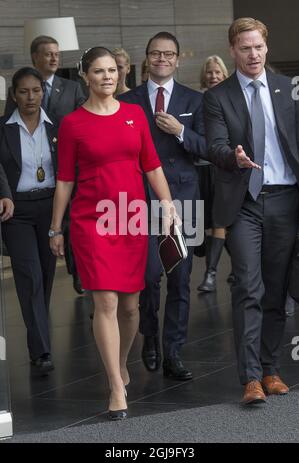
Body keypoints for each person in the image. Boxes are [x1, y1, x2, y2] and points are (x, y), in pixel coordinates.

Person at [49, 47, 176, 420]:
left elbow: (152, 167)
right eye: (99, 71)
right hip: (92, 222)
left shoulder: (136, 115)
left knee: (131, 306)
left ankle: (120, 362)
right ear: (85, 75)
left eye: (111, 71)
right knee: (103, 302)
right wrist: (56, 228)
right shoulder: (72, 123)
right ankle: (115, 387)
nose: (107, 77)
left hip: (132, 218)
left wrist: (168, 205)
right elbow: (64, 181)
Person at [204, 17, 299, 405]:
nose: (253, 53)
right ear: (233, 51)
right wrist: (234, 156)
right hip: (244, 202)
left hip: (286, 199)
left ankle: (271, 368)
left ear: (266, 47)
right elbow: (214, 146)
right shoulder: (217, 96)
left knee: (276, 291)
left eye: (258, 46)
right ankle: (250, 379)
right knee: (248, 285)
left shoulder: (287, 89)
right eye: (245, 47)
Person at [119, 32, 206, 380]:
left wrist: (181, 130)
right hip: (141, 198)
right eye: (156, 54)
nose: (162, 59)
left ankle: (174, 352)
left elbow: (205, 148)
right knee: (149, 276)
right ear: (147, 58)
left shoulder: (195, 100)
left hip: (184, 200)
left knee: (181, 279)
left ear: (177, 59)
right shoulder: (127, 100)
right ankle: (150, 336)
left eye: (168, 54)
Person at [4, 35, 86, 295]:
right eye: (48, 53)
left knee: (51, 265)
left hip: (55, 192)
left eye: (57, 53)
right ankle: (40, 333)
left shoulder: (68, 99)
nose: (54, 58)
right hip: (20, 202)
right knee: (32, 275)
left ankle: (76, 274)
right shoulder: (9, 117)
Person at [0, 67, 58, 375]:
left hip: (50, 208)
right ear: (14, 95)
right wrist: (4, 193)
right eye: (24, 91)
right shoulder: (2, 128)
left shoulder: (56, 127)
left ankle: (40, 336)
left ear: (43, 92)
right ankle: (41, 350)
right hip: (17, 211)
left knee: (46, 277)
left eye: (36, 90)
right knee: (30, 276)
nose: (31, 96)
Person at [196, 55, 230, 292]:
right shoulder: (196, 100)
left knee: (219, 221)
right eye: (209, 72)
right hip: (198, 169)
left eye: (218, 72)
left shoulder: (230, 99)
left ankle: (211, 274)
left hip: (222, 169)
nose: (214, 76)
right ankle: (238, 266)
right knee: (205, 223)